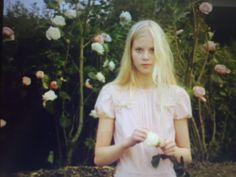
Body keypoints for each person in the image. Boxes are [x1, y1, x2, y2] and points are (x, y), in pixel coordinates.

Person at [94, 20, 192, 177]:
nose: (145, 57)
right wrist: (127, 143)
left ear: (161, 53)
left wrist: (173, 151)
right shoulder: (112, 93)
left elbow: (186, 157)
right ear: (130, 52)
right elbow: (100, 158)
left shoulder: (176, 96)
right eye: (139, 50)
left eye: (152, 50)